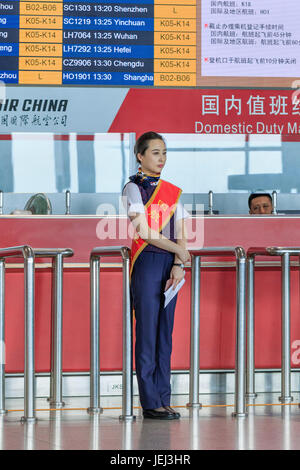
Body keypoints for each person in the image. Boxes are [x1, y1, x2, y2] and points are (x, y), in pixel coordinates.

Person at [122, 131, 190, 420]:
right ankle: (150, 401)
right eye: (155, 152)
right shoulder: (132, 188)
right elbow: (144, 232)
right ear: (140, 155)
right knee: (148, 332)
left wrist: (179, 261)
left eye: (164, 152)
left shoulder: (172, 190)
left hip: (170, 264)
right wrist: (179, 250)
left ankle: (164, 396)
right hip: (147, 261)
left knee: (166, 334)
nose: (161, 158)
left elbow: (183, 227)